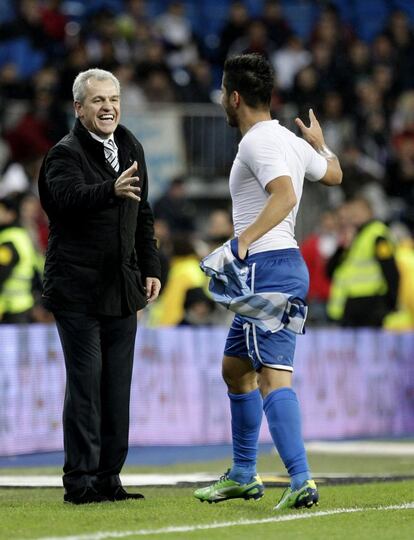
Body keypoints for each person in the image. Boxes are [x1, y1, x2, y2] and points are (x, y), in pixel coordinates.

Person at [193, 54, 342, 510]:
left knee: (273, 378)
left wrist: (242, 241)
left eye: (223, 92)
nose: (223, 99)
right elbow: (334, 175)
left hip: (266, 267)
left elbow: (286, 194)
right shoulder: (292, 142)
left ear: (233, 97)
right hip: (281, 265)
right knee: (235, 370)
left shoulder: (256, 143)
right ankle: (242, 473)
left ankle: (300, 480)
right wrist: (321, 145)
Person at [38, 68, 161, 504]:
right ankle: (81, 483)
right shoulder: (63, 155)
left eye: (113, 99)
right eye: (97, 101)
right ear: (78, 108)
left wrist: (151, 266)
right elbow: (66, 202)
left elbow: (142, 213)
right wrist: (110, 188)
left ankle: (110, 479)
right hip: (76, 290)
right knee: (86, 385)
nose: (108, 107)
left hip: (121, 287)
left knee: (116, 389)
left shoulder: (130, 144)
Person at [327, 197, 399, 327]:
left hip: (372, 303)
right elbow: (330, 271)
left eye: (358, 211)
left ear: (369, 212)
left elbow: (390, 270)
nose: (354, 216)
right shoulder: (354, 236)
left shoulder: (377, 234)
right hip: (350, 303)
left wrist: (391, 303)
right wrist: (342, 247)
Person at [0, 193, 43, 323]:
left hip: (10, 308)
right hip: (25, 304)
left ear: (11, 214)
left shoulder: (9, 239)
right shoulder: (22, 235)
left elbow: (2, 273)